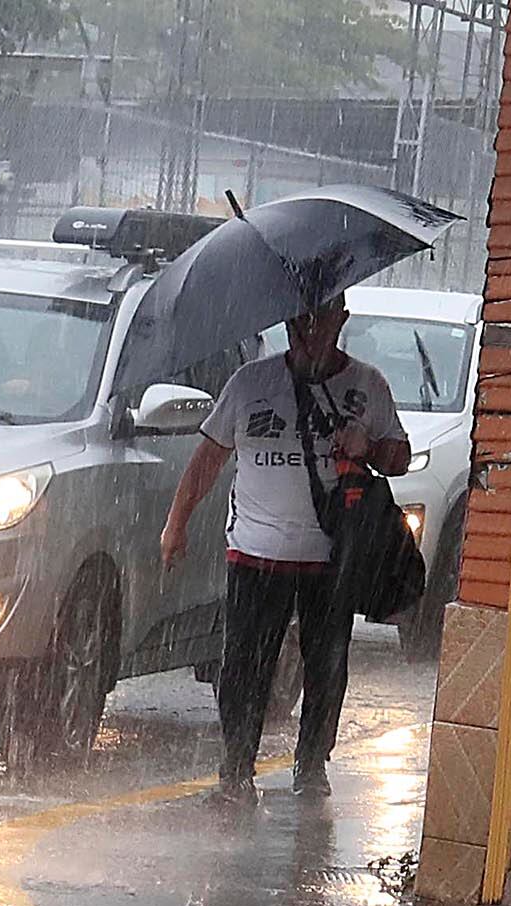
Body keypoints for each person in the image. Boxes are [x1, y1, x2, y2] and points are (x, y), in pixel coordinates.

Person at [156, 294, 412, 808]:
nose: (309, 330)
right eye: (299, 319)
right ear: (287, 321)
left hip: (331, 557)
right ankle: (235, 771)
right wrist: (175, 523)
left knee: (326, 664)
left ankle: (312, 764)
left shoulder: (367, 385)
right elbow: (207, 459)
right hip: (254, 552)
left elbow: (400, 457)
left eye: (321, 319)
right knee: (244, 665)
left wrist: (370, 447)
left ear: (342, 321)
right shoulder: (250, 384)